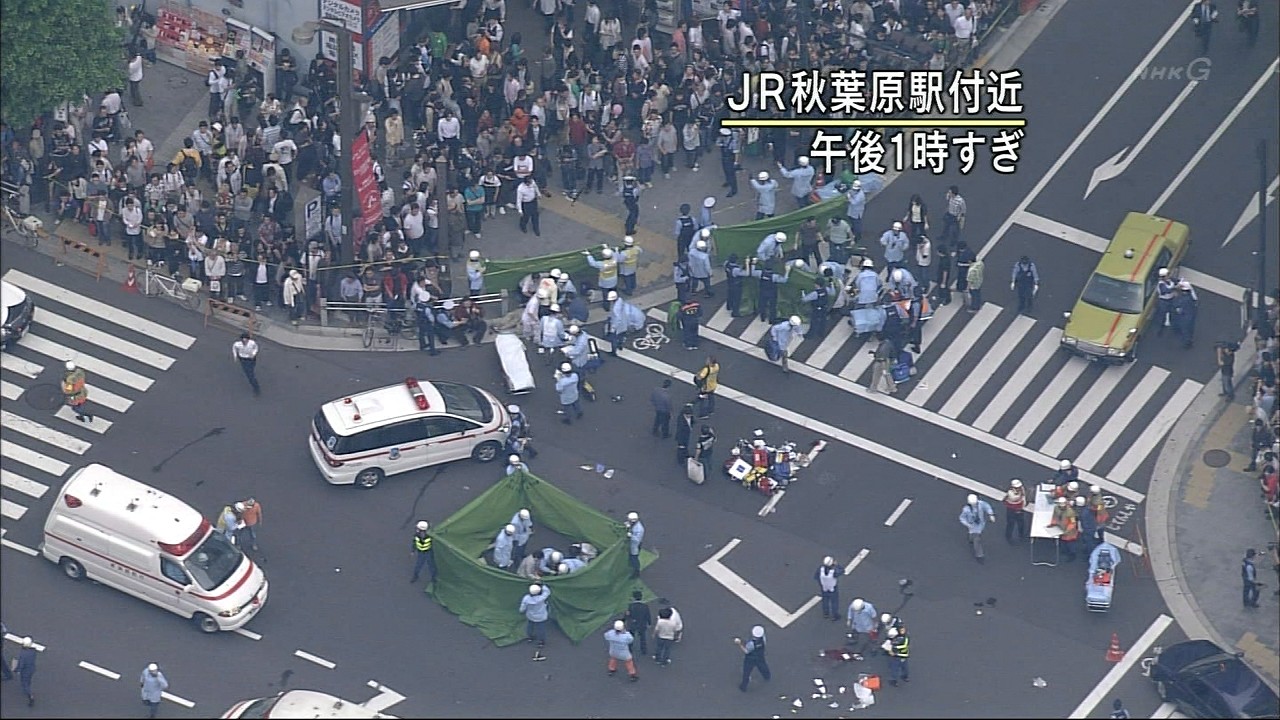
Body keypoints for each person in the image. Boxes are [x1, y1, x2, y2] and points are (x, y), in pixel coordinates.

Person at [959, 493, 996, 563]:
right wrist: (968, 524)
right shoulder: (966, 509)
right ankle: (979, 555)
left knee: (973, 537)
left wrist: (991, 514)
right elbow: (962, 518)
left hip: (980, 523)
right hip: (973, 526)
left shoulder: (981, 504)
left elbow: (987, 506)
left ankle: (971, 539)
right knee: (977, 540)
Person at [736, 625, 771, 691]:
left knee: (746, 672)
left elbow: (746, 651)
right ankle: (767, 676)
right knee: (763, 666)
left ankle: (743, 686)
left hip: (750, 659)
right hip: (760, 656)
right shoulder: (763, 639)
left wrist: (739, 644)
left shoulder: (751, 644)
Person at [520, 583, 552, 648]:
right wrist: (542, 584)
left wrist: (521, 611)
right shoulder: (541, 598)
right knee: (541, 629)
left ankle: (530, 637)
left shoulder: (526, 598)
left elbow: (522, 608)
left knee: (530, 627)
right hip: (540, 617)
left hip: (530, 616)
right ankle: (541, 642)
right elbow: (547, 592)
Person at [625, 590, 652, 656]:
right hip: (642, 624)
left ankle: (629, 649)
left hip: (633, 624)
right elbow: (648, 615)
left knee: (631, 637)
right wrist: (649, 623)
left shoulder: (631, 606)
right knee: (642, 637)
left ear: (634, 598)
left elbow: (628, 615)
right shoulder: (645, 606)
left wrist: (625, 620)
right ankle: (643, 650)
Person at [815, 556, 843, 621]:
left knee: (825, 601)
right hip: (833, 588)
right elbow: (842, 571)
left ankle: (826, 614)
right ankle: (835, 615)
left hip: (824, 588)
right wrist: (837, 565)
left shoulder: (820, 569)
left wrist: (822, 584)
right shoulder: (834, 571)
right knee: (834, 602)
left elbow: (816, 577)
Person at [411, 520, 437, 585]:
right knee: (418, 565)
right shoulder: (416, 536)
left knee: (431, 566)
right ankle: (415, 576)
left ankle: (434, 578)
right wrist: (413, 550)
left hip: (428, 552)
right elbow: (414, 543)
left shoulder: (429, 536)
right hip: (421, 553)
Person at [16, 637, 37, 706]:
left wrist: (18, 670)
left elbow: (21, 664)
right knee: (28, 680)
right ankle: (28, 688)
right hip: (32, 669)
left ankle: (30, 695)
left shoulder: (23, 654)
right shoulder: (33, 651)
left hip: (25, 671)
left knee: (24, 683)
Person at [625, 511, 644, 577]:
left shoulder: (639, 529)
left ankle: (636, 572)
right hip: (632, 544)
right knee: (631, 558)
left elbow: (637, 540)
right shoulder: (634, 524)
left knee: (634, 559)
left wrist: (631, 536)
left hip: (635, 546)